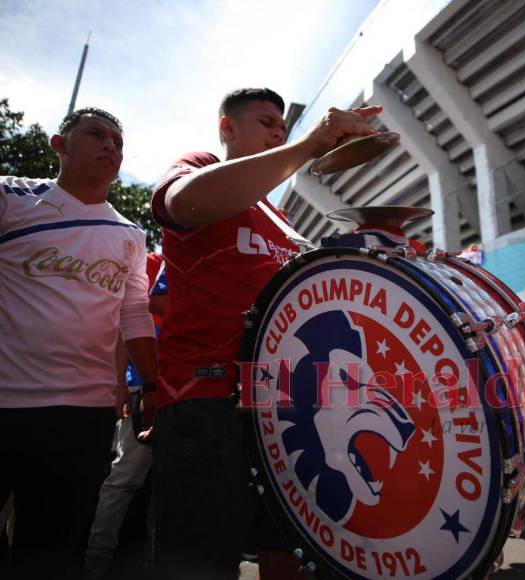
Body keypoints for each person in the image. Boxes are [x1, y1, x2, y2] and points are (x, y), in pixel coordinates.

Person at [149, 88, 381, 579]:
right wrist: (309, 145)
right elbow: (184, 203)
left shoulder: (280, 215)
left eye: (283, 125)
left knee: (289, 551)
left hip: (282, 405)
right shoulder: (197, 165)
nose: (279, 130)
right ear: (227, 127)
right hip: (207, 398)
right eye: (265, 121)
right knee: (198, 560)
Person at [0, 108, 158, 579]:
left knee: (53, 550)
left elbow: (134, 316)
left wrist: (151, 385)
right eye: (95, 134)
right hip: (5, 401)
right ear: (59, 144)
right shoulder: (11, 197)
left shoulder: (129, 235)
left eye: (117, 139)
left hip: (83, 415)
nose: (110, 146)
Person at [84, 254, 167, 579]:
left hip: (179, 390)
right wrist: (121, 384)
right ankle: (96, 560)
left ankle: (153, 562)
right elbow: (126, 326)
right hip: (142, 388)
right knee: (125, 477)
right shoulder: (151, 262)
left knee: (165, 481)